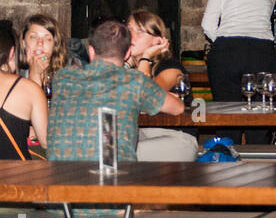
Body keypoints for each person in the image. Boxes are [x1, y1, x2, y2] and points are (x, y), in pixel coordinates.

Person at [47, 17, 185, 163]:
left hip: (59, 175)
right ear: (127, 54)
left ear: (91, 51)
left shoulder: (62, 78)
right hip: (111, 177)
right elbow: (178, 108)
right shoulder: (133, 81)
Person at [201, 0, 276, 142]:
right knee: (260, 117)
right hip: (261, 51)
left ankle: (227, 162)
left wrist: (224, 43)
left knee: (227, 116)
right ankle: (261, 163)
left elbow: (208, 24)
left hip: (228, 51)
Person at [0, 21, 52, 218]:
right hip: (14, 197)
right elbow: (46, 141)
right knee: (43, 173)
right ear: (11, 54)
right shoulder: (28, 89)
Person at [128, 10, 199, 162]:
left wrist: (145, 57)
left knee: (121, 154)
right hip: (140, 132)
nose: (131, 36)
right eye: (128, 29)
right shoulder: (126, 67)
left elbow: (146, 95)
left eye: (139, 32)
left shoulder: (171, 68)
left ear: (158, 41)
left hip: (176, 137)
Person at [19, 14, 70, 99]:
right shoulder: (13, 79)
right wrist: (34, 74)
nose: (40, 43)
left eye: (47, 39)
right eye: (33, 37)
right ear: (24, 43)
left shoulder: (67, 79)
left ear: (55, 45)